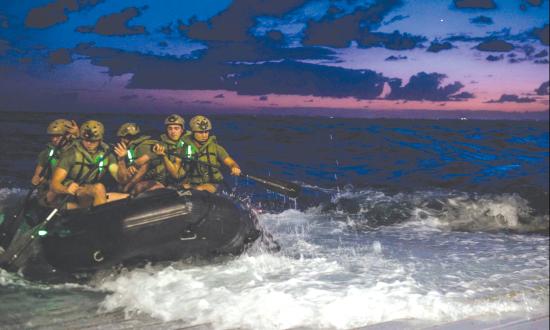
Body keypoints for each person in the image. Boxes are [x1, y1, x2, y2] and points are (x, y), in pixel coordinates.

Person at [49, 120, 128, 209]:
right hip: (74, 194)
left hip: (91, 191)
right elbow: (54, 184)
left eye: (93, 141)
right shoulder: (71, 154)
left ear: (100, 140)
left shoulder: (107, 154)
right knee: (99, 188)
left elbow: (122, 180)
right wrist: (66, 190)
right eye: (86, 140)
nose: (89, 144)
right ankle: (100, 219)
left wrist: (121, 160)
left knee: (127, 197)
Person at [156, 115, 241, 193]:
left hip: (212, 184)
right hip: (192, 184)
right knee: (179, 188)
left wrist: (234, 168)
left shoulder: (215, 148)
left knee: (199, 189)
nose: (204, 135)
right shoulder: (185, 147)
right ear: (193, 132)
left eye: (206, 132)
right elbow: (175, 173)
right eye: (200, 132)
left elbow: (231, 162)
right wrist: (164, 157)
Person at [113, 122, 163, 195]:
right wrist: (121, 160)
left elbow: (145, 163)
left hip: (153, 180)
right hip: (137, 180)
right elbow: (123, 178)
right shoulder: (128, 149)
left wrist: (128, 186)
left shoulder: (143, 147)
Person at [150, 114, 191, 187]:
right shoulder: (161, 142)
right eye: (170, 128)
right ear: (166, 130)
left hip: (180, 183)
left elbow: (175, 174)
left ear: (182, 130)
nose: (173, 132)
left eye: (176, 128)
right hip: (161, 181)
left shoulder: (186, 145)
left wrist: (164, 156)